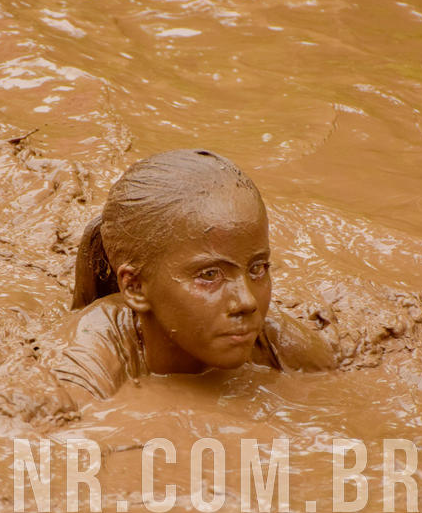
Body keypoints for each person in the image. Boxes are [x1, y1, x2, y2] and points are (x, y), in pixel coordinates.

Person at [40, 149, 335, 408]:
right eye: (209, 275)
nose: (247, 302)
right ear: (135, 286)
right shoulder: (83, 364)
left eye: (257, 268)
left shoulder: (280, 343)